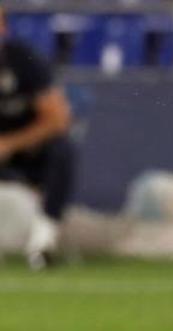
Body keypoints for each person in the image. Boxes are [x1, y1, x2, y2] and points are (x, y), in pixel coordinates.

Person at [0, 3, 74, 269]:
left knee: (62, 150)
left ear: (3, 27)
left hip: (24, 151)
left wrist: (11, 143)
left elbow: (58, 118)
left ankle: (43, 241)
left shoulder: (23, 60)